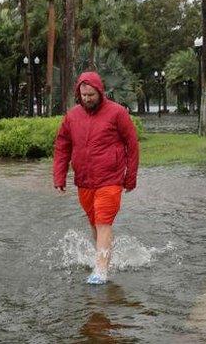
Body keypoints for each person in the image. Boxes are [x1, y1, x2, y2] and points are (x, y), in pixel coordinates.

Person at [53, 71, 139, 285]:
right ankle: (106, 253)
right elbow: (62, 146)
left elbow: (132, 144)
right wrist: (59, 175)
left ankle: (101, 270)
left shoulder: (117, 113)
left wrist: (131, 176)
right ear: (78, 93)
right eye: (83, 95)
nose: (87, 99)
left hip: (110, 179)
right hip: (84, 180)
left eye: (91, 94)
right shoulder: (72, 116)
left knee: (103, 221)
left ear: (100, 91)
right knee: (94, 223)